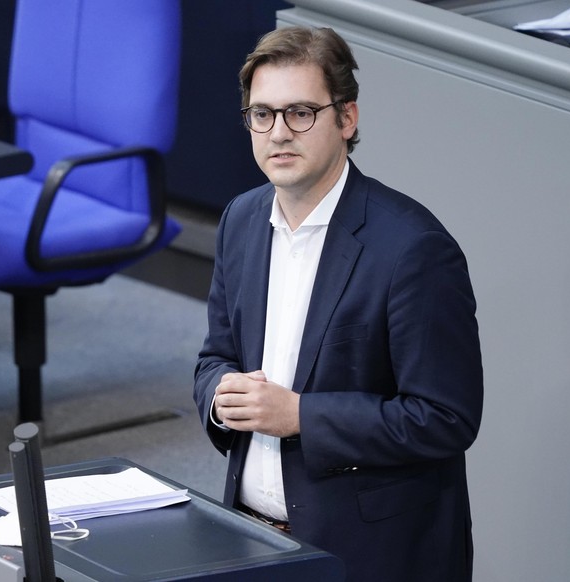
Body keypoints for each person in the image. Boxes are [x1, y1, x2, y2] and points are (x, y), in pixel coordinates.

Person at [194, 25, 483, 582]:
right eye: (262, 114)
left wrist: (299, 415)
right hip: (249, 538)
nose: (279, 133)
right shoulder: (240, 221)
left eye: (301, 112)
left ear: (347, 119)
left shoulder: (414, 249)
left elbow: (446, 419)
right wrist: (218, 396)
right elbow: (215, 357)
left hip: (367, 555)